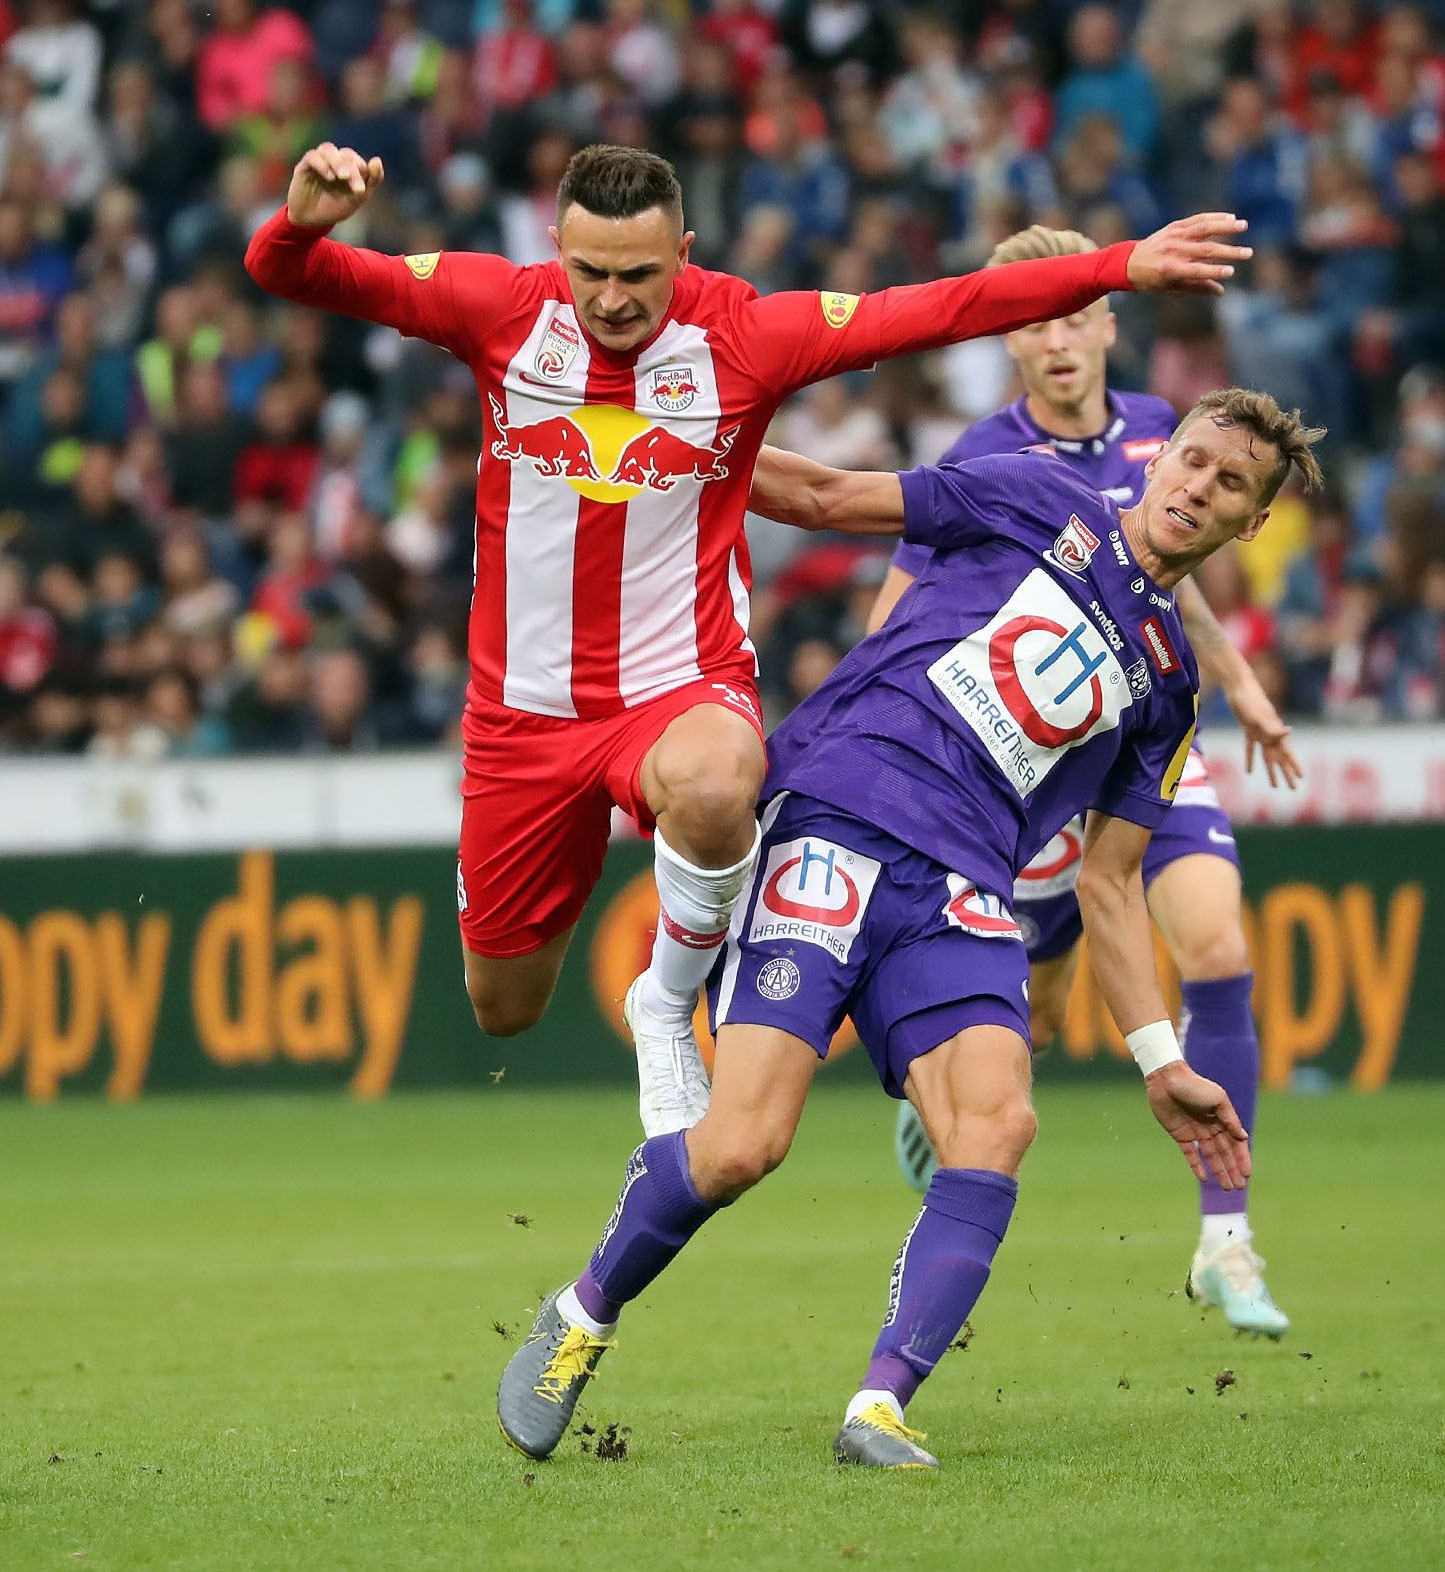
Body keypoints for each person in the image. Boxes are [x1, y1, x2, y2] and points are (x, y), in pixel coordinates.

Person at [244, 140, 1254, 1143]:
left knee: (724, 775)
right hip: (520, 714)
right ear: (555, 249)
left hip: (677, 686)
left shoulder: (746, 334)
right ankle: (620, 964)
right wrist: (301, 219)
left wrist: (1116, 264)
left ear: (682, 253)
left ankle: (665, 1001)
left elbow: (938, 307)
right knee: (503, 1004)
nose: (610, 298)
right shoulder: (498, 307)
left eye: (638, 274)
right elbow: (281, 269)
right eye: (589, 271)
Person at [497, 388, 1324, 1470]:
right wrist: (662, 450)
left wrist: (1157, 1058)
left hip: (962, 887)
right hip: (834, 813)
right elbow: (832, 494)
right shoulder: (1036, 494)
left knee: (995, 1123)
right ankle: (580, 1311)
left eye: (1228, 484)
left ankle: (878, 1403)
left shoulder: (1166, 684)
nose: (1197, 487)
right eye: (1193, 459)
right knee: (743, 1143)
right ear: (1160, 455)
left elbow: (1112, 883)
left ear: (1250, 522)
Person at [857, 226, 1293, 1337]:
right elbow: (906, 589)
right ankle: (939, 1132)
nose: (1055, 340)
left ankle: (1224, 1240)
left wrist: (1235, 682)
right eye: (1031, 320)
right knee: (1038, 1019)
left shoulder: (1166, 434)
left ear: (1106, 322)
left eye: (1071, 315)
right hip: (1032, 760)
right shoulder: (984, 452)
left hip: (1148, 733)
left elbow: (1175, 582)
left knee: (1216, 948)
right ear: (1009, 340)